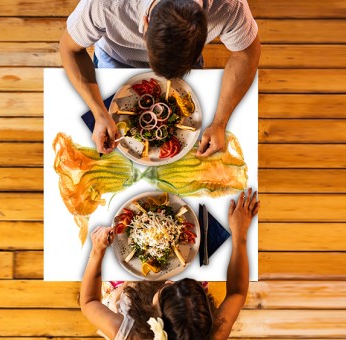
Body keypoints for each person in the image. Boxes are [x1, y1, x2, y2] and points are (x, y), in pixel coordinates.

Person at [60, 0, 261, 156]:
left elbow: (246, 54)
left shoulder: (229, 6)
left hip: (188, 68)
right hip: (115, 60)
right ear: (145, 22)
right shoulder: (103, 5)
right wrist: (99, 113)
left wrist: (219, 122)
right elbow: (69, 49)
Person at [80, 188, 259, 339]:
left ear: (155, 318)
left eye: (168, 289)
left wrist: (97, 251)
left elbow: (88, 302)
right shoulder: (211, 334)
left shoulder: (131, 334)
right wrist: (240, 235)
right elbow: (237, 293)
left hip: (129, 294)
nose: (170, 281)